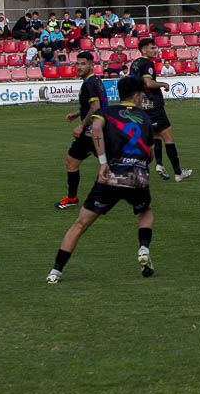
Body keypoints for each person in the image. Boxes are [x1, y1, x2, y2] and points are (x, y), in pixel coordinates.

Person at [45, 75, 157, 283]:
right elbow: (149, 154)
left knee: (80, 224)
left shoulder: (106, 112)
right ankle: (143, 247)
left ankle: (56, 271)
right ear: (136, 95)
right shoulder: (145, 117)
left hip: (111, 176)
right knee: (145, 212)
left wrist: (103, 161)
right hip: (138, 175)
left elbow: (95, 129)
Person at [130, 38, 191, 182]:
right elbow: (148, 83)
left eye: (155, 47)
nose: (155, 50)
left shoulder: (135, 63)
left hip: (141, 105)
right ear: (144, 50)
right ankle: (178, 173)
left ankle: (159, 164)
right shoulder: (148, 63)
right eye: (152, 48)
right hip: (154, 105)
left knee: (156, 135)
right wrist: (163, 83)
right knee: (169, 138)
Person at [55, 52, 109, 210]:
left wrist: (81, 125)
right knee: (72, 161)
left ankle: (108, 196)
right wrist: (77, 113)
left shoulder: (89, 83)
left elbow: (96, 107)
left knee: (107, 165)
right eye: (77, 63)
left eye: (83, 64)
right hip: (98, 129)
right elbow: (92, 105)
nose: (79, 67)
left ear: (91, 64)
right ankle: (72, 197)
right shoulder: (96, 80)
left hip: (92, 131)